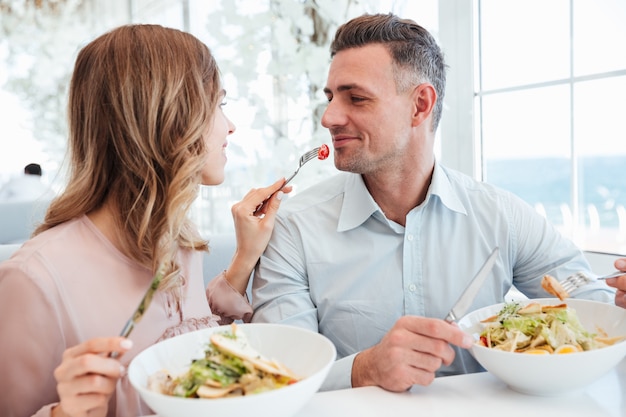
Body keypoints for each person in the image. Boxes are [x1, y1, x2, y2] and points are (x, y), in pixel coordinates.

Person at [251, 13, 625, 393]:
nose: (328, 117)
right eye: (330, 98)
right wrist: (363, 370)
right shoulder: (292, 227)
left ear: (420, 105)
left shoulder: (501, 216)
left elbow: (594, 310)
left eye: (356, 98)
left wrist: (620, 305)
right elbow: (277, 373)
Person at [0, 24, 291, 417]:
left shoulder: (179, 242)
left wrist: (243, 260)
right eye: (219, 104)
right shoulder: (33, 280)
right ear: (171, 118)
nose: (231, 126)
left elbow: (188, 351)